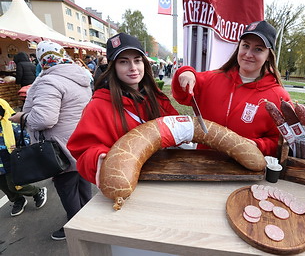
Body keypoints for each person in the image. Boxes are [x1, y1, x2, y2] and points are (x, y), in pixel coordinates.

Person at [67, 32, 179, 185]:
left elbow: (177, 130)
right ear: (113, 67)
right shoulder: (98, 106)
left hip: (165, 178)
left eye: (137, 60)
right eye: (124, 62)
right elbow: (82, 150)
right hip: (127, 183)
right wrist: (97, 157)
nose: (133, 68)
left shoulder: (156, 97)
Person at [9, 41, 93, 241]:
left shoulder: (50, 80)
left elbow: (44, 119)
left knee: (67, 188)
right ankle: (89, 222)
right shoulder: (79, 76)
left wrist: (22, 117)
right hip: (80, 142)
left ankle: (76, 229)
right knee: (82, 184)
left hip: (59, 148)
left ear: (42, 60)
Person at [172, 20, 291, 157]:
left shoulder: (279, 97)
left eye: (258, 49)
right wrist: (185, 72)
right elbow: (181, 96)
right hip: (202, 165)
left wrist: (258, 145)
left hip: (245, 171)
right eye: (245, 46)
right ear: (238, 47)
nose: (248, 54)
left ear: (269, 56)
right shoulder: (212, 79)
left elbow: (280, 142)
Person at [0, 99, 47, 217]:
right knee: (3, 185)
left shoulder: (11, 123)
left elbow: (25, 137)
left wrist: (19, 145)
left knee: (15, 184)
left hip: (9, 159)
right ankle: (18, 200)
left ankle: (37, 191)